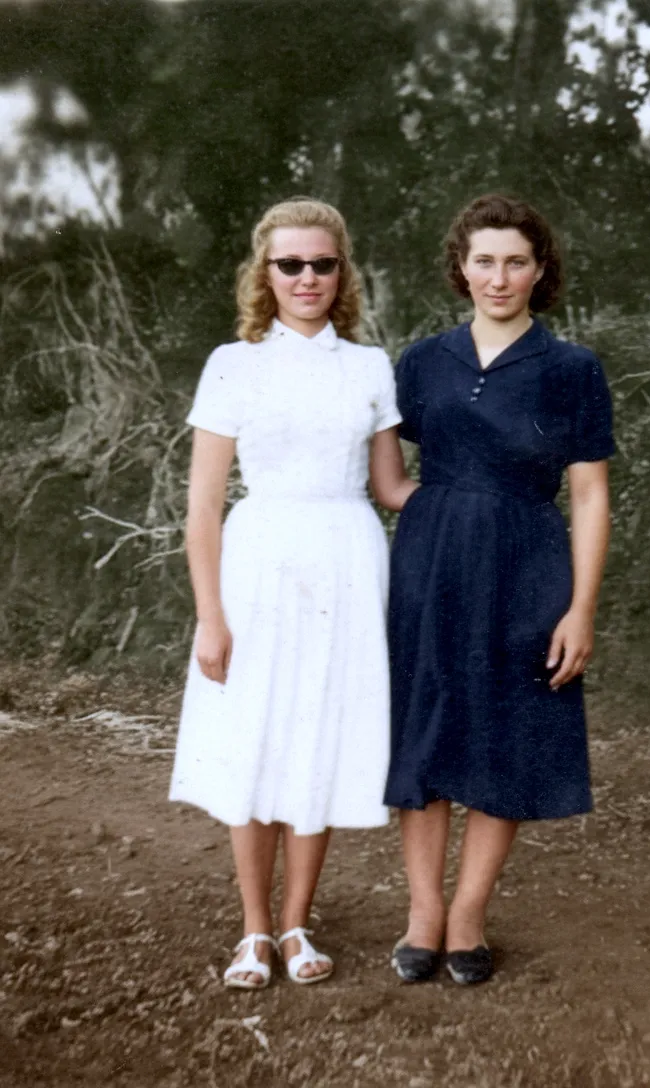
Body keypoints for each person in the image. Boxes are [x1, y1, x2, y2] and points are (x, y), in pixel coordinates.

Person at [169, 197, 415, 989]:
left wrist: (485, 491)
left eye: (322, 264)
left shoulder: (370, 366)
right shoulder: (232, 365)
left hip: (345, 563)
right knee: (256, 736)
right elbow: (203, 506)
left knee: (318, 734)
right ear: (264, 274)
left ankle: (299, 923)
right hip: (259, 564)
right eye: (290, 264)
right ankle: (253, 931)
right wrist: (211, 616)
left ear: (342, 273)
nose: (306, 278)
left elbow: (390, 488)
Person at [386, 194, 614, 985]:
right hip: (431, 564)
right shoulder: (420, 362)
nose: (499, 276)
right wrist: (443, 512)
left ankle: (469, 916)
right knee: (426, 733)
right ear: (460, 267)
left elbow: (588, 494)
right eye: (484, 259)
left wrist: (580, 607)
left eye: (516, 260)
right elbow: (389, 475)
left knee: (506, 735)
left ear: (540, 271)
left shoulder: (573, 369)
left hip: (528, 565)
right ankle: (422, 912)